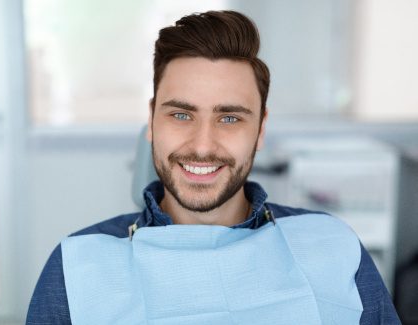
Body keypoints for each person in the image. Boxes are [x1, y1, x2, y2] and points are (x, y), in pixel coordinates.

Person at [26, 10, 400, 324]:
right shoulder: (78, 264)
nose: (203, 146)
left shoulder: (331, 245)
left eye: (230, 119)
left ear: (261, 129)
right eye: (181, 114)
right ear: (152, 120)